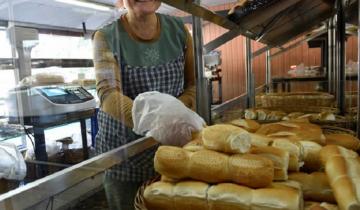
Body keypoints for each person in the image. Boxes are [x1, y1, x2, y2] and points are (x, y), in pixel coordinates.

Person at [92, 0, 196, 209]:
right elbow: (108, 94)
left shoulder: (179, 31)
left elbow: (193, 84)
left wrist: (175, 117)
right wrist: (159, 123)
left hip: (171, 150)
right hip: (125, 155)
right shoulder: (106, 37)